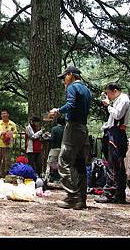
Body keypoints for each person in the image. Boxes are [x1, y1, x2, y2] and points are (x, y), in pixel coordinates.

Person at [48, 66, 92, 209]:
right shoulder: (86, 90)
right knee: (80, 164)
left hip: (72, 127)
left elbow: (71, 104)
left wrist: (58, 111)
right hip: (83, 128)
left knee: (64, 160)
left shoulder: (72, 87)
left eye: (64, 77)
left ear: (71, 75)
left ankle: (72, 196)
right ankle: (81, 200)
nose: (63, 82)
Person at [96, 82, 130, 204]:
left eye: (108, 93)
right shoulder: (118, 100)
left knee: (114, 164)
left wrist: (108, 106)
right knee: (113, 163)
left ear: (115, 90)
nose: (108, 96)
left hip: (117, 134)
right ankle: (118, 193)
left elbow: (117, 115)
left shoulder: (123, 99)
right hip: (112, 132)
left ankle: (111, 193)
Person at [0, 108, 18, 179]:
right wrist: (1, 133)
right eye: (2, 114)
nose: (4, 115)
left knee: (7, 161)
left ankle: (7, 177)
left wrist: (11, 135)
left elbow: (16, 134)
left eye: (5, 113)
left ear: (8, 115)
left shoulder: (12, 124)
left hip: (8, 145)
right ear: (1, 115)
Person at [44, 115, 65, 182]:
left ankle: (46, 179)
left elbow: (52, 139)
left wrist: (48, 137)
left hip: (55, 149)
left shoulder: (54, 129)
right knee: (63, 165)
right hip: (64, 149)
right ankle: (64, 180)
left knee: (50, 164)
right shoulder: (66, 129)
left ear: (57, 122)